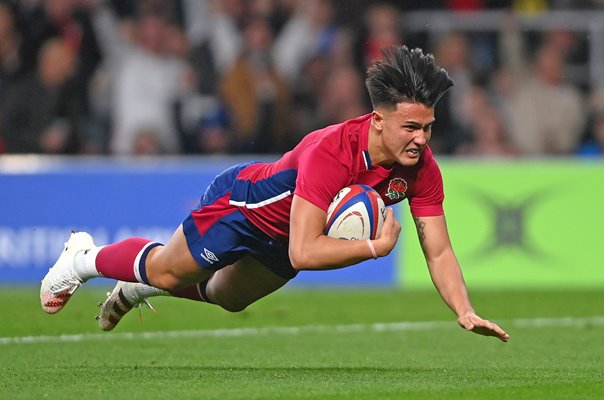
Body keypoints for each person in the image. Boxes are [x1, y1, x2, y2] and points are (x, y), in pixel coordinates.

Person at [40, 45, 510, 343]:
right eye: (411, 127)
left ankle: (137, 287)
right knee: (168, 268)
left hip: (288, 238)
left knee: (228, 298)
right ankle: (83, 257)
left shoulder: (421, 167)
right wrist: (371, 249)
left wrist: (464, 310)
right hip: (244, 208)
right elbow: (304, 251)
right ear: (378, 120)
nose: (422, 139)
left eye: (428, 127)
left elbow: (440, 249)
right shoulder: (332, 151)